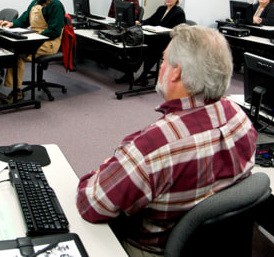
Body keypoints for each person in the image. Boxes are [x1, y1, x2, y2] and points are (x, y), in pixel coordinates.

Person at [77, 24, 257, 256]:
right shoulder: (240, 117)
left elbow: (91, 205)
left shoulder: (156, 145)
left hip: (150, 248)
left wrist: (102, 169)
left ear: (176, 72)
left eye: (163, 60)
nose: (160, 66)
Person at [0, 0, 65, 103]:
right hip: (35, 38)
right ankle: (16, 90)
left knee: (19, 54)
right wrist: (11, 24)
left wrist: (35, 37)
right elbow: (23, 19)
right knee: (14, 52)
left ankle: (16, 93)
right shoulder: (35, 2)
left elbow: (55, 31)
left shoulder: (55, 5)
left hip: (49, 42)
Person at [134, 0, 186, 86]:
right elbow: (151, 20)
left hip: (168, 42)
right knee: (140, 44)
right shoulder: (161, 9)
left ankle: (144, 76)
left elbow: (178, 32)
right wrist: (140, 22)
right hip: (156, 38)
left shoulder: (179, 12)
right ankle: (131, 73)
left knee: (151, 48)